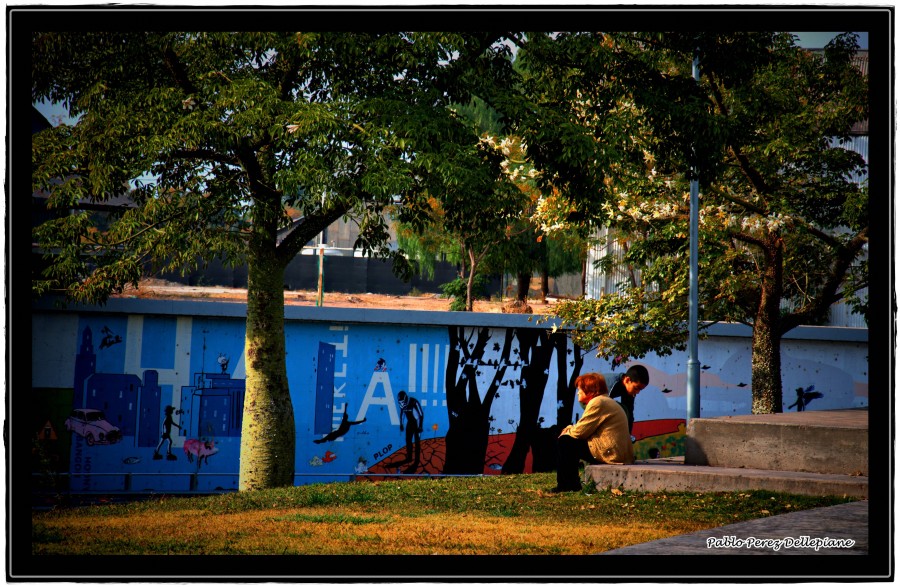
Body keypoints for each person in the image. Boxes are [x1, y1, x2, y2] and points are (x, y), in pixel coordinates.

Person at [552, 372, 634, 493]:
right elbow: (585, 427)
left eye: (580, 389)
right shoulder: (604, 400)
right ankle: (570, 484)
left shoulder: (597, 402)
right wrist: (571, 429)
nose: (578, 392)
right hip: (618, 452)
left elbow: (580, 432)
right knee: (569, 440)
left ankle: (567, 485)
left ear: (590, 390)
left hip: (611, 453)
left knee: (566, 441)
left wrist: (567, 430)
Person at [606, 364, 650, 437]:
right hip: (589, 399)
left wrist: (628, 435)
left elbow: (629, 413)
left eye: (640, 390)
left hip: (602, 403)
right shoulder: (612, 384)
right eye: (636, 388)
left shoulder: (629, 389)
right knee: (617, 410)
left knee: (626, 410)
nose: (637, 392)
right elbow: (602, 407)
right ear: (627, 380)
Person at [396, 390, 424, 474]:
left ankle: (417, 460)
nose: (402, 404)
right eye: (400, 402)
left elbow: (421, 415)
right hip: (409, 423)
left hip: (416, 422)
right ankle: (409, 457)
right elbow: (402, 414)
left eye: (402, 401)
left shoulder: (414, 402)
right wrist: (401, 424)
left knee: (417, 442)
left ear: (405, 399)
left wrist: (420, 426)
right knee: (408, 440)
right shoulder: (402, 405)